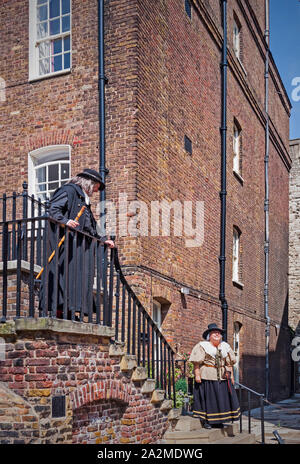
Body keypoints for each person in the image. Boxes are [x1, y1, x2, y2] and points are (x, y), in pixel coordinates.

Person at [39, 168, 115, 318]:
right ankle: (62, 311)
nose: (94, 191)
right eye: (95, 187)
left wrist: (103, 240)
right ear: (88, 183)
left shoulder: (83, 200)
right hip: (68, 246)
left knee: (79, 280)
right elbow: (53, 210)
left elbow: (91, 226)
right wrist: (66, 221)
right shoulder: (69, 191)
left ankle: (71, 310)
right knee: (66, 279)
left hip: (81, 247)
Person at [189, 323, 240, 429]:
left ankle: (219, 421)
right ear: (209, 335)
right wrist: (197, 374)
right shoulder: (203, 346)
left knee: (221, 399)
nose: (217, 334)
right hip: (207, 375)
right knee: (209, 399)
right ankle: (207, 421)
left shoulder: (225, 346)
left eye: (219, 333)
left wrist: (232, 377)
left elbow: (229, 363)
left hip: (222, 376)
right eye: (214, 333)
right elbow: (196, 363)